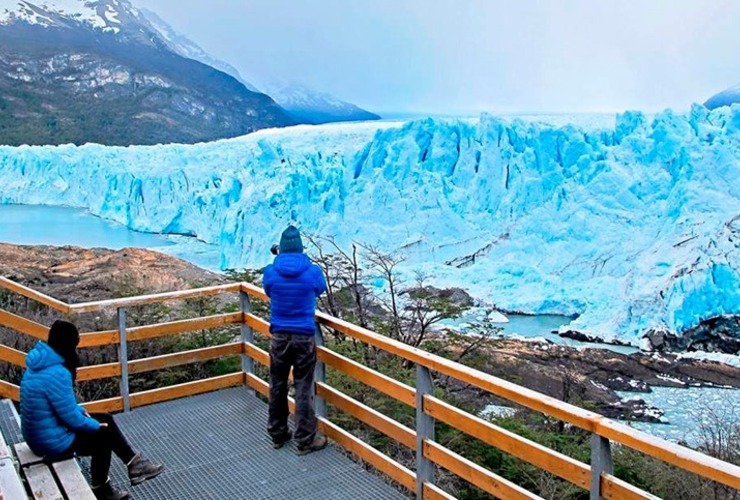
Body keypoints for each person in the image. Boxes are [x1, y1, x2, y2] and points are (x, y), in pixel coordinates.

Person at [20, 320, 164, 500]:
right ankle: (104, 491)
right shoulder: (58, 372)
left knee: (105, 419)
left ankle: (134, 463)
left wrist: (85, 415)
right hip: (49, 441)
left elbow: (63, 407)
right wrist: (94, 425)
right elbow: (71, 418)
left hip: (39, 434)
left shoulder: (40, 365)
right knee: (103, 436)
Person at [263, 225, 328, 455]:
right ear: (301, 249)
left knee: (277, 384)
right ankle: (305, 439)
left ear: (280, 249)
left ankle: (278, 434)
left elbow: (269, 290)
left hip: (279, 336)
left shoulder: (271, 271)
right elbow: (320, 289)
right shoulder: (312, 272)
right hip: (304, 337)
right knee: (303, 386)